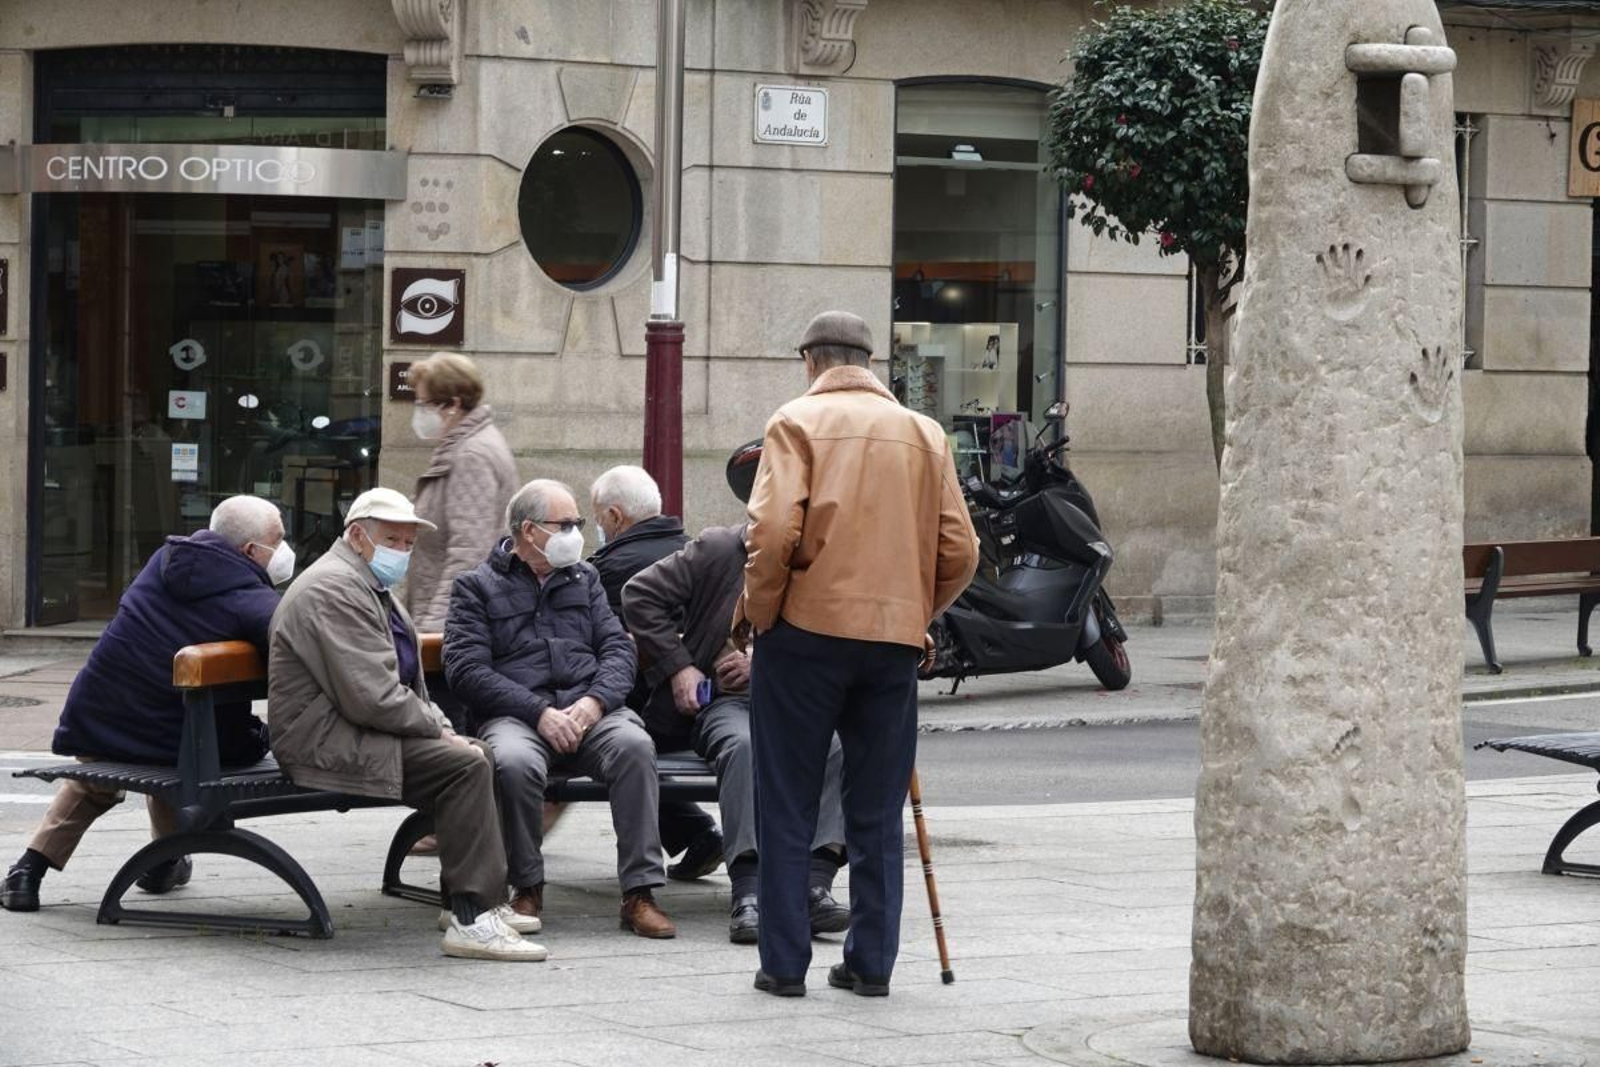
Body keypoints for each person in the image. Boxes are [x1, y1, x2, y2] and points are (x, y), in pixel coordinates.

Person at [737, 310, 979, 997]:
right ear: (870, 363)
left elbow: (771, 532)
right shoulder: (924, 433)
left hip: (804, 635)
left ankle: (784, 964)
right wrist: (915, 611)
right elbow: (962, 550)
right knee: (875, 809)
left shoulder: (795, 422)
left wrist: (761, 611)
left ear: (810, 360)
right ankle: (871, 963)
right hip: (891, 643)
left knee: (787, 803)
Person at [268, 487, 545, 962]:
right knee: (464, 765)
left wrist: (440, 727)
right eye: (392, 540)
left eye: (409, 543)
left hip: (355, 729)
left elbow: (399, 688)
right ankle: (474, 919)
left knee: (479, 753)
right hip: (322, 740)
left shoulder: (365, 584)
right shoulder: (332, 588)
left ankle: (465, 904)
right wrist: (438, 730)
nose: (402, 551)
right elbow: (372, 697)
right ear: (357, 536)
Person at [1, 496, 292, 912]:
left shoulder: (163, 562)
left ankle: (26, 873)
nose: (285, 549)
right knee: (194, 748)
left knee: (104, 776)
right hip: (174, 742)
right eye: (278, 540)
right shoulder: (252, 599)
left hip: (98, 724)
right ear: (250, 550)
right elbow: (300, 646)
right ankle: (164, 860)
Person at [444, 479, 675, 939]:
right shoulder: (476, 586)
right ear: (529, 530)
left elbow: (618, 649)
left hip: (588, 710)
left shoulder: (584, 579)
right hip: (518, 716)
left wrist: (594, 702)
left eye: (578, 523)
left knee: (633, 746)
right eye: (565, 524)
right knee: (512, 762)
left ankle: (640, 892)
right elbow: (466, 670)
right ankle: (526, 887)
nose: (575, 533)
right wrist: (538, 712)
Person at [623, 523, 851, 944]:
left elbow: (837, 637)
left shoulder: (823, 559)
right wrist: (679, 667)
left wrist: (766, 665)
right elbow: (639, 595)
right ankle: (748, 892)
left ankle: (815, 886)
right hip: (726, 704)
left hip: (795, 698)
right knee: (744, 747)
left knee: (836, 747)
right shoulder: (719, 548)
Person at [589, 464, 724, 882]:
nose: (598, 529)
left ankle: (693, 832)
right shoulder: (697, 553)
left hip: (656, 718)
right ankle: (696, 832)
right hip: (714, 708)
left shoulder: (606, 570)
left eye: (596, 520)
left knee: (617, 740)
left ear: (615, 516)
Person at [404, 352, 520, 632]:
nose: (419, 412)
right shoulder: (466, 446)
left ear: (453, 405)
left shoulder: (471, 455)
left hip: (451, 625)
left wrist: (432, 631)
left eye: (424, 404)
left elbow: (468, 553)